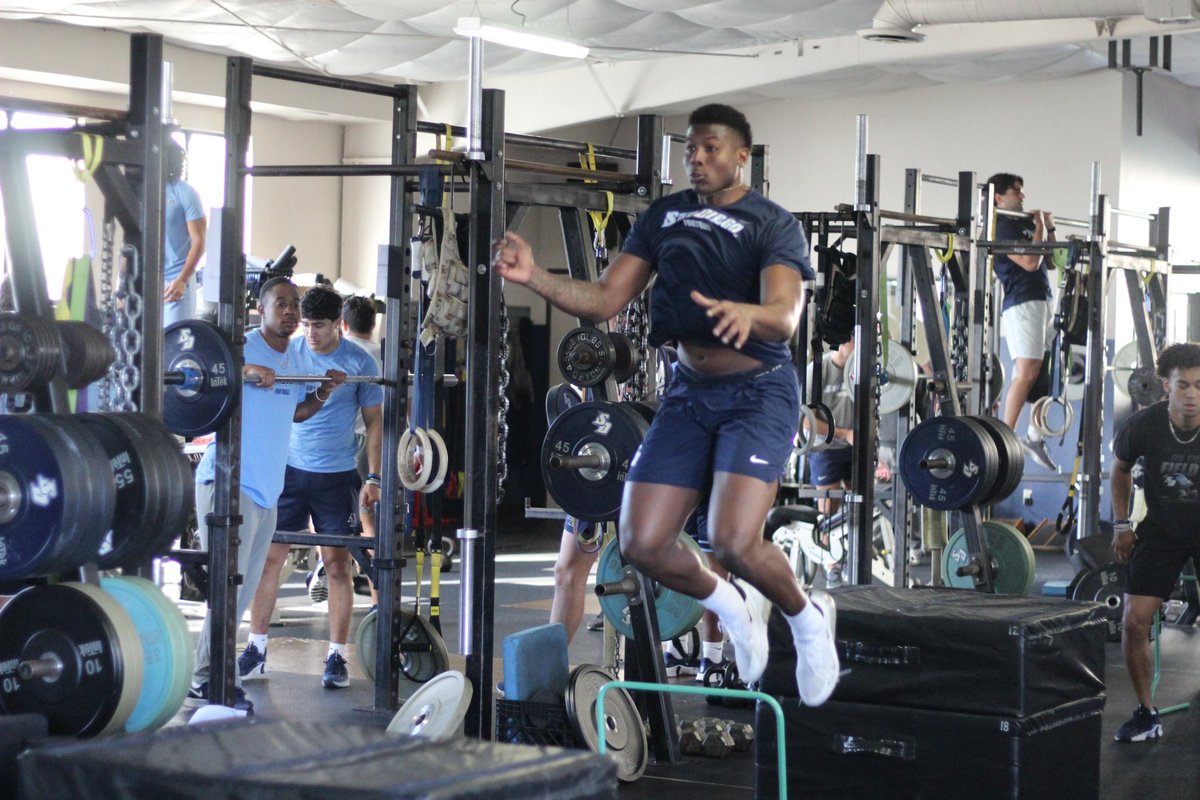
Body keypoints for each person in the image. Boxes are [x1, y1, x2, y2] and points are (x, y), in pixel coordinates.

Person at [493, 103, 839, 704]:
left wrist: (748, 313)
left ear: (741, 156)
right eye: (691, 151)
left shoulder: (771, 223)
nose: (699, 160)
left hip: (758, 393)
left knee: (733, 541)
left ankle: (808, 621)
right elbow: (602, 299)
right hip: (688, 392)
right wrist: (533, 279)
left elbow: (784, 318)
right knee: (643, 542)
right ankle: (729, 606)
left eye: (711, 149)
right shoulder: (665, 216)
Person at [184, 277, 344, 713]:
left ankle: (214, 677)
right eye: (282, 304)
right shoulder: (239, 348)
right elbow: (199, 377)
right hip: (228, 484)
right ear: (260, 307)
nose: (290, 312)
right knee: (227, 587)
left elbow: (295, 412)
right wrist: (245, 372)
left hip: (267, 491)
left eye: (295, 305)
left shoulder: (294, 355)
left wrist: (323, 392)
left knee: (242, 588)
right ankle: (208, 680)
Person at [239, 286, 383, 689]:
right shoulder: (291, 353)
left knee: (337, 565)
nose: (311, 333)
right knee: (269, 560)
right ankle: (256, 648)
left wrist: (373, 477)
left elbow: (375, 423)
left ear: (338, 323)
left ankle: (336, 656)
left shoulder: (359, 361)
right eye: (306, 324)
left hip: (336, 476)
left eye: (318, 325)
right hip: (287, 470)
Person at [1110, 342, 1200, 743]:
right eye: (1183, 386)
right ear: (1166, 386)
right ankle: (1147, 714)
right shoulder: (1142, 426)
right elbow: (1120, 472)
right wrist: (1120, 525)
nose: (1193, 395)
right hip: (1162, 530)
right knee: (1133, 620)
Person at [988, 172, 1057, 471]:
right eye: (1016, 191)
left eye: (1022, 191)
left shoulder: (1025, 223)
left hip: (1042, 298)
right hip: (1021, 302)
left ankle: (1034, 435)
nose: (1022, 196)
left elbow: (1051, 260)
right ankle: (1004, 436)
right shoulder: (1001, 227)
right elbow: (1031, 262)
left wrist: (1048, 227)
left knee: (1042, 375)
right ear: (998, 197)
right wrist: (1039, 226)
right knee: (1026, 372)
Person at [806, 339, 857, 588]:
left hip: (854, 447)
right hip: (825, 447)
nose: (860, 345)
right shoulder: (817, 371)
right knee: (829, 508)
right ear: (844, 342)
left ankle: (852, 561)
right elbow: (806, 421)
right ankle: (831, 567)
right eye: (856, 340)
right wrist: (844, 433)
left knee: (858, 505)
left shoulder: (860, 369)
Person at [162, 139, 207, 327]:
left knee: (173, 345)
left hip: (176, 285)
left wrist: (182, 279)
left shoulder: (184, 193)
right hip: (144, 283)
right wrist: (122, 286)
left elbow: (199, 242)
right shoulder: (139, 191)